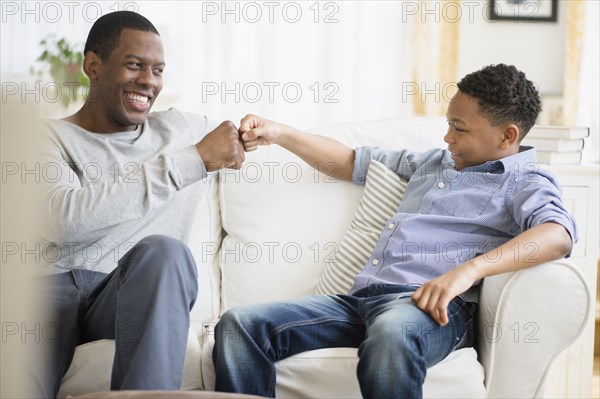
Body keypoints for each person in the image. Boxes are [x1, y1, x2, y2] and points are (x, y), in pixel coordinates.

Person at [212, 64, 577, 398]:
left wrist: (469, 271)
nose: (447, 137)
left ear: (507, 136)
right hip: (361, 301)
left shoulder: (525, 181)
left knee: (392, 334)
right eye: (449, 123)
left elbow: (557, 235)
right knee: (239, 326)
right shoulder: (432, 163)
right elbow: (349, 162)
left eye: (459, 128)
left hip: (431, 310)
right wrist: (279, 133)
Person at [34, 10, 245, 397]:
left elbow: (257, 135)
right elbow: (61, 220)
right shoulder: (45, 138)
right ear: (93, 66)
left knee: (167, 253)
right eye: (134, 65)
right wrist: (192, 161)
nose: (148, 81)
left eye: (158, 70)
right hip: (47, 288)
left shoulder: (184, 130)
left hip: (128, 293)